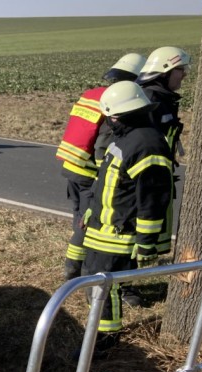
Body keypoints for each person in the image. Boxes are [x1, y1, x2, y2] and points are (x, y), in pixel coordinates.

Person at [81, 81, 173, 353]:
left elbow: (153, 199)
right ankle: (98, 334)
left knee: (104, 288)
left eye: (112, 117)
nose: (110, 122)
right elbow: (108, 182)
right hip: (104, 229)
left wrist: (146, 241)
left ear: (122, 115)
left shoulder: (147, 145)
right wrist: (92, 210)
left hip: (119, 234)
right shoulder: (128, 139)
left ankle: (105, 344)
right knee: (95, 284)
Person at [55, 53, 146, 282]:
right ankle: (76, 273)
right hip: (88, 172)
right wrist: (104, 177)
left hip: (72, 166)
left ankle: (74, 270)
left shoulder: (93, 95)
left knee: (79, 219)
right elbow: (103, 146)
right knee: (86, 224)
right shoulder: (115, 103)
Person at [137, 46, 191, 257]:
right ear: (165, 70)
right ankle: (120, 286)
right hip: (146, 174)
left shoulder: (163, 99)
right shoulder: (151, 100)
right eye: (180, 69)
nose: (185, 74)